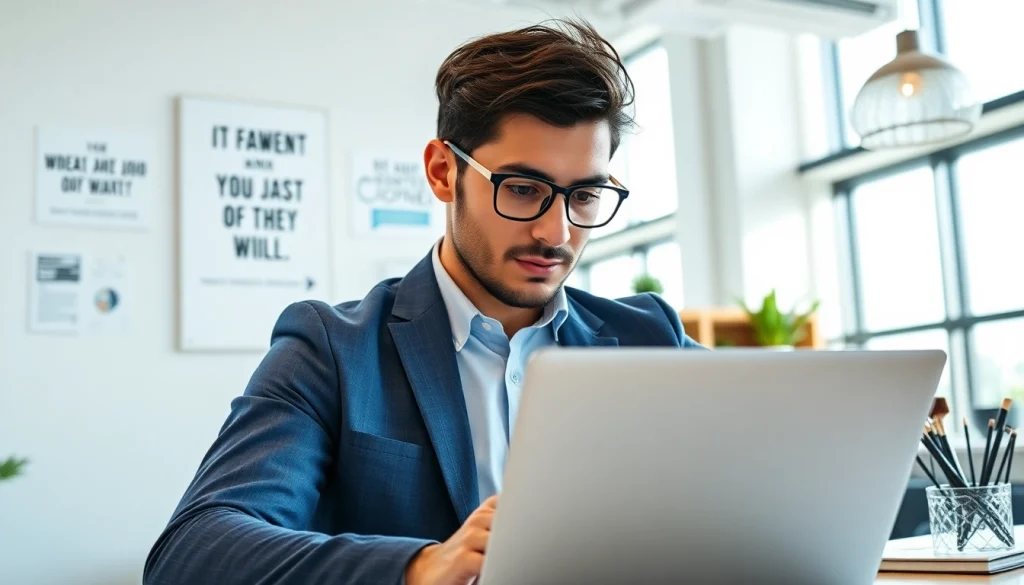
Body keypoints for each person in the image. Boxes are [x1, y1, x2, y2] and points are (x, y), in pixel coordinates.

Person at [144, 18, 702, 585]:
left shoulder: (652, 338)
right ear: (442, 172)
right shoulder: (332, 349)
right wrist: (419, 567)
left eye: (583, 196)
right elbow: (193, 550)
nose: (555, 232)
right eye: (522, 189)